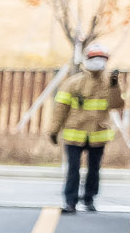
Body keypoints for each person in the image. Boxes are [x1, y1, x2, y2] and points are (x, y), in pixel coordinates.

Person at [48, 48, 120, 212]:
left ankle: (89, 199)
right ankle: (70, 201)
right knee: (73, 170)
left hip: (97, 135)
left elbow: (116, 105)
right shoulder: (74, 83)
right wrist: (53, 130)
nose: (98, 61)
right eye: (94, 58)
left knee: (94, 170)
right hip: (75, 134)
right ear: (87, 60)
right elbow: (60, 109)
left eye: (101, 58)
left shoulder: (109, 83)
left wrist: (115, 86)